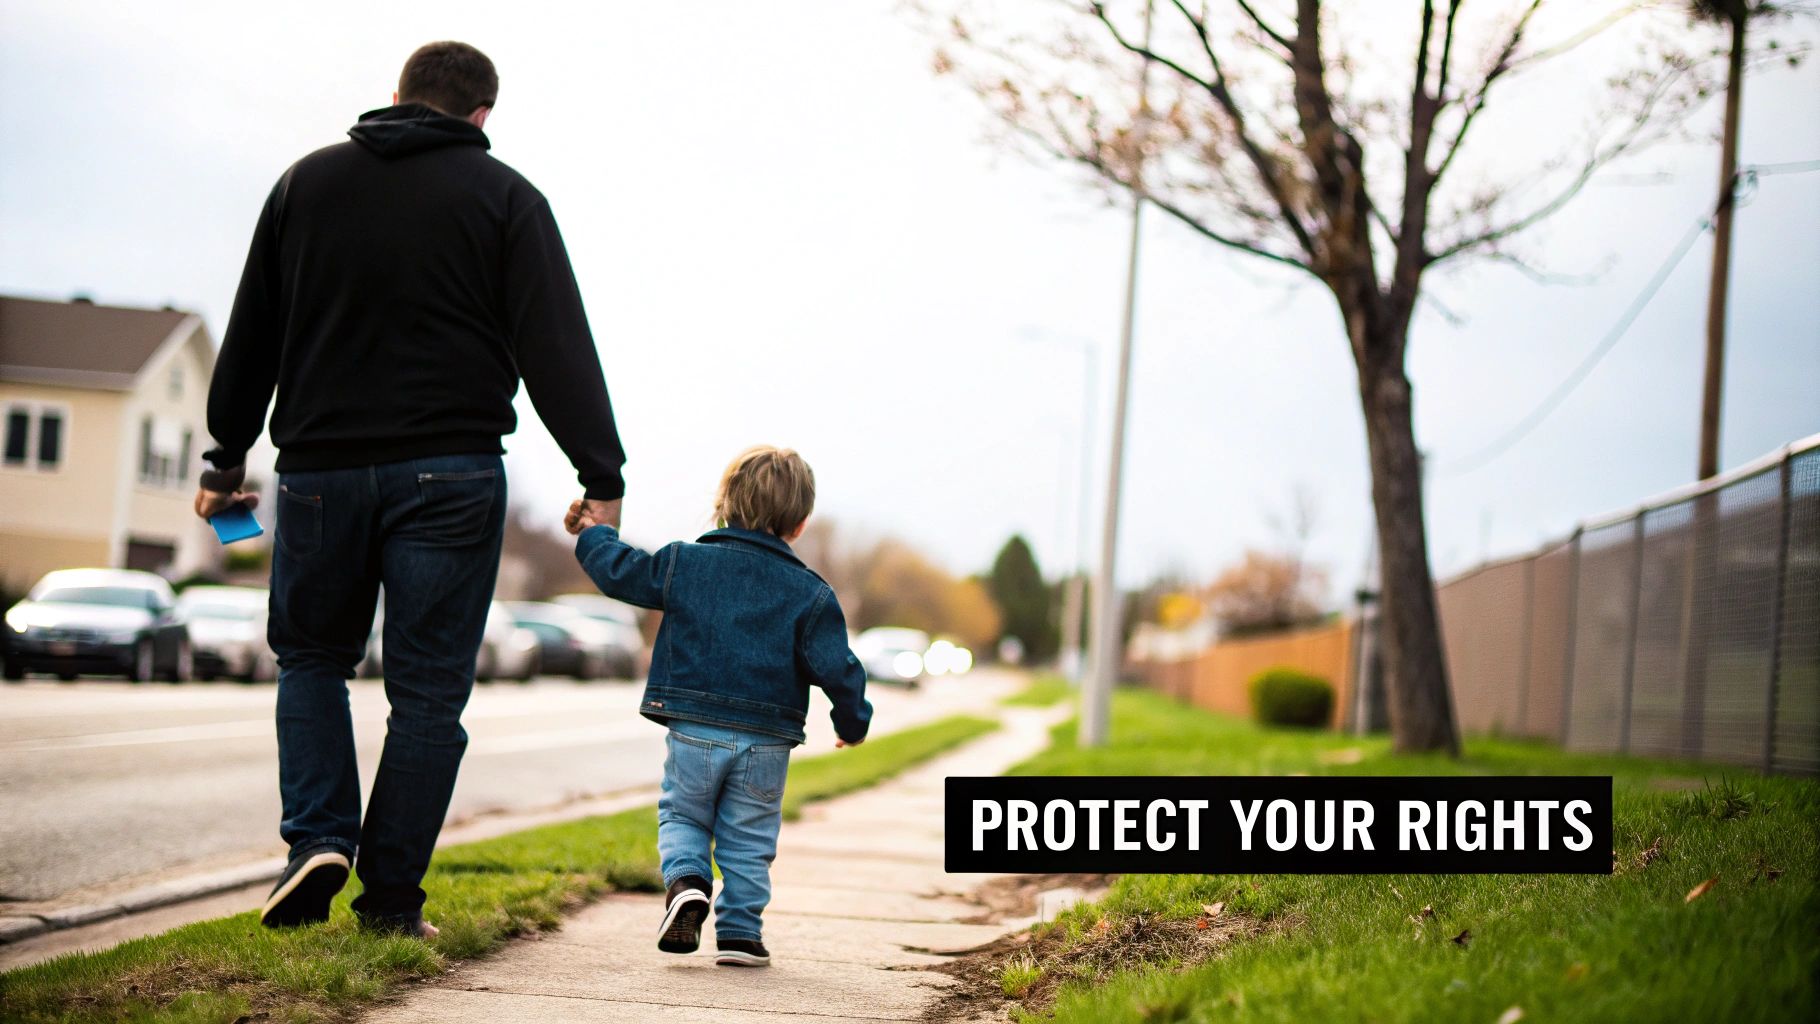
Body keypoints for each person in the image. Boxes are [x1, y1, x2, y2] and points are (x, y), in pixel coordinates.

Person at [194, 41, 626, 938]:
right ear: (480, 119)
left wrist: (225, 459)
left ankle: (316, 838)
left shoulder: (303, 186)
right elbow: (557, 345)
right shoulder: (506, 199)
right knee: (428, 696)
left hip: (318, 472)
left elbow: (253, 334)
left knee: (312, 659)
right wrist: (601, 476)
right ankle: (390, 903)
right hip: (452, 473)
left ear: (394, 98)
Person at [566, 446, 872, 967]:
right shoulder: (811, 593)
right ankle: (740, 934)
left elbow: (621, 571)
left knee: (684, 813)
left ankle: (687, 882)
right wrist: (852, 722)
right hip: (768, 740)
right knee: (750, 838)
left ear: (724, 503)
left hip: (693, 729)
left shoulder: (685, 563)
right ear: (799, 524)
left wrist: (594, 532)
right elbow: (838, 667)